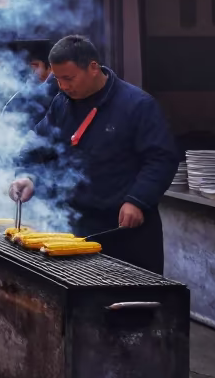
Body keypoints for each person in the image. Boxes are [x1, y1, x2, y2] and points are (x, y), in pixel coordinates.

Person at [9, 35, 178, 273]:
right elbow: (36, 145)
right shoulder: (62, 104)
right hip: (74, 227)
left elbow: (162, 159)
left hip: (124, 228)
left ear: (93, 68)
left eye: (69, 78)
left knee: (128, 302)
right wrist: (28, 175)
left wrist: (138, 200)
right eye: (57, 79)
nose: (63, 86)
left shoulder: (137, 105)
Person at [3, 42, 59, 127]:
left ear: (50, 68)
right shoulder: (25, 92)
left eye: (36, 66)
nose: (31, 71)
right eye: (29, 66)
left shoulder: (59, 94)